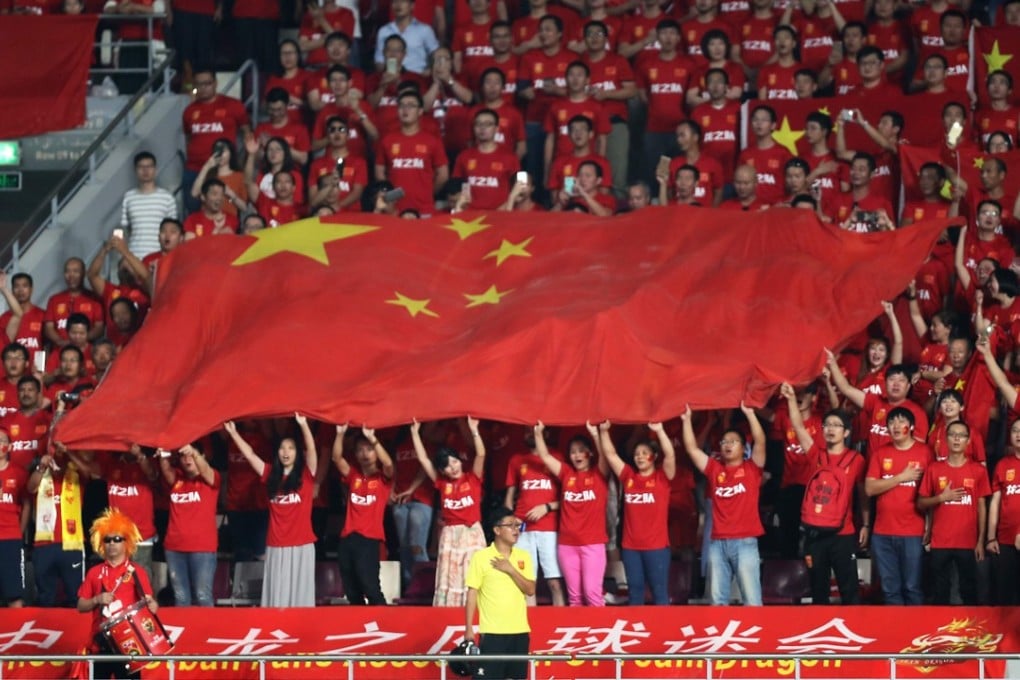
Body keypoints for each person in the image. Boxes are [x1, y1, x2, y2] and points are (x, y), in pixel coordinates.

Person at [781, 384, 867, 604]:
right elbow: (799, 427)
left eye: (837, 425)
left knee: (849, 590)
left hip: (844, 534)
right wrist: (791, 399)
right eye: (827, 424)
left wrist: (865, 524)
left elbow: (862, 495)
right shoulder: (815, 455)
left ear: (846, 432)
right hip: (815, 535)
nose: (830, 429)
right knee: (819, 591)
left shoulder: (856, 460)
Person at [224, 414, 318, 607]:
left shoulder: (306, 475)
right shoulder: (269, 474)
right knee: (278, 599)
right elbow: (250, 455)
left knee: (300, 599)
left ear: (297, 453)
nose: (286, 452)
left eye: (291, 448)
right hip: (276, 546)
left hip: (301, 544)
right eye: (282, 448)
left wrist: (303, 425)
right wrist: (234, 433)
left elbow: (312, 449)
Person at [681, 402, 767, 606]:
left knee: (752, 601)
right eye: (724, 441)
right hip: (717, 544)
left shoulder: (752, 469)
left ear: (743, 446)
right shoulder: (715, 470)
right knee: (717, 602)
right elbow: (692, 449)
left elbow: (761, 441)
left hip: (745, 543)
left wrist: (750, 414)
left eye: (733, 441)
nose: (727, 445)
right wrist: (686, 421)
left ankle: (756, 637)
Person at [410, 416, 486, 607]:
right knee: (449, 576)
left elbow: (481, 455)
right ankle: (449, 614)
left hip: (472, 533)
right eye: (446, 466)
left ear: (460, 460)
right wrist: (414, 433)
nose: (452, 467)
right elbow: (423, 459)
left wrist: (474, 430)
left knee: (473, 575)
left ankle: (476, 613)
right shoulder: (442, 483)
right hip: (450, 534)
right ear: (441, 471)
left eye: (454, 462)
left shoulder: (473, 479)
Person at [598, 421, 675, 605]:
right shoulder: (629, 478)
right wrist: (603, 431)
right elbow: (610, 454)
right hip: (631, 548)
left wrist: (659, 430)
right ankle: (636, 632)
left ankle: (662, 631)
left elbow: (670, 454)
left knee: (659, 593)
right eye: (637, 454)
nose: (640, 457)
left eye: (645, 454)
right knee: (635, 593)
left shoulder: (662, 478)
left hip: (657, 548)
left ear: (654, 457)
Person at [532, 421, 608, 606]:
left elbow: (605, 456)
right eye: (573, 452)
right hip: (567, 545)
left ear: (589, 453)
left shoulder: (599, 474)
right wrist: (538, 433)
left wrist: (596, 435)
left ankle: (599, 633)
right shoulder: (567, 473)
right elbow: (544, 456)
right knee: (574, 598)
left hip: (593, 544)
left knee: (592, 595)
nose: (577, 455)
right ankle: (580, 634)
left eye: (581, 450)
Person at [77, 508, 157, 680]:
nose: (112, 543)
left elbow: (153, 606)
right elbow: (81, 605)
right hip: (100, 643)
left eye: (117, 539)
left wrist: (151, 605)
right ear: (101, 543)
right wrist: (97, 599)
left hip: (129, 644)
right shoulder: (94, 572)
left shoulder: (137, 571)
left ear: (126, 542)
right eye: (107, 539)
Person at [865, 407, 934, 605]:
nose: (895, 426)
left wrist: (930, 526)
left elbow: (931, 493)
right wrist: (901, 477)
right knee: (889, 589)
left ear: (911, 427)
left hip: (913, 531)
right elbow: (870, 488)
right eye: (891, 423)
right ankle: (895, 633)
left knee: (912, 587)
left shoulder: (925, 453)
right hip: (882, 532)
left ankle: (915, 634)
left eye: (901, 422)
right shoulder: (880, 453)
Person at [918, 419, 990, 605]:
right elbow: (921, 503)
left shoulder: (977, 471)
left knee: (969, 589)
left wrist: (981, 540)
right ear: (945, 439)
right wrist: (941, 498)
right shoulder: (934, 469)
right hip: (940, 541)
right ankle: (939, 629)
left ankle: (969, 631)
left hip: (968, 541)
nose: (957, 439)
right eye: (952, 435)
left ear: (968, 441)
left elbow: (982, 507)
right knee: (939, 590)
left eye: (961, 435)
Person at [465, 506, 535, 680]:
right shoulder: (480, 557)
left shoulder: (523, 556)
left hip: (520, 632)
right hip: (492, 633)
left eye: (517, 525)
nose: (516, 530)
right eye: (510, 525)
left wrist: (510, 569)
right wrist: (468, 629)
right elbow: (472, 593)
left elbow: (530, 590)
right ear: (497, 530)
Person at [331, 424, 394, 605]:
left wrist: (373, 438)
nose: (364, 454)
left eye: (369, 450)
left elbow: (388, 464)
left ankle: (385, 624)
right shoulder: (354, 476)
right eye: (360, 450)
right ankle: (361, 628)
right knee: (351, 590)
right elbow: (336, 458)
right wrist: (340, 434)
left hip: (369, 539)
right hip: (348, 537)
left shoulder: (383, 478)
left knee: (371, 587)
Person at [503, 427, 564, 606]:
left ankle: (559, 625)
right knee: (527, 582)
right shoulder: (516, 460)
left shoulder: (556, 458)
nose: (530, 434)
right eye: (527, 431)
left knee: (554, 582)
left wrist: (546, 507)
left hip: (549, 527)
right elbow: (508, 501)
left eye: (534, 431)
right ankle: (531, 625)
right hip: (523, 528)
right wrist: (512, 523)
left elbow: (569, 498)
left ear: (545, 433)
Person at [156, 444, 218, 606]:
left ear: (202, 456)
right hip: (174, 548)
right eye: (183, 456)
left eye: (190, 455)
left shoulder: (210, 478)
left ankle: (208, 631)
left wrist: (194, 452)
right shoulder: (177, 478)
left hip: (202, 548)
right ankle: (187, 632)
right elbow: (166, 470)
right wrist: (163, 451)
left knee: (203, 595)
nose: (187, 459)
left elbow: (206, 471)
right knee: (181, 598)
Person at [118, 152, 177, 259]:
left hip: (160, 256)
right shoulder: (128, 197)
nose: (145, 170)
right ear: (135, 170)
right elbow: (126, 229)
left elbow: (173, 230)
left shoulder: (167, 198)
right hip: (135, 256)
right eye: (141, 167)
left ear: (155, 170)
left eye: (149, 166)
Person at [0, 427, 28, 607]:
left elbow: (27, 504)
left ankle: (18, 634)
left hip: (10, 539)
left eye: (1, 441)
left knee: (14, 594)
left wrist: (21, 531)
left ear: (9, 447)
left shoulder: (19, 473)